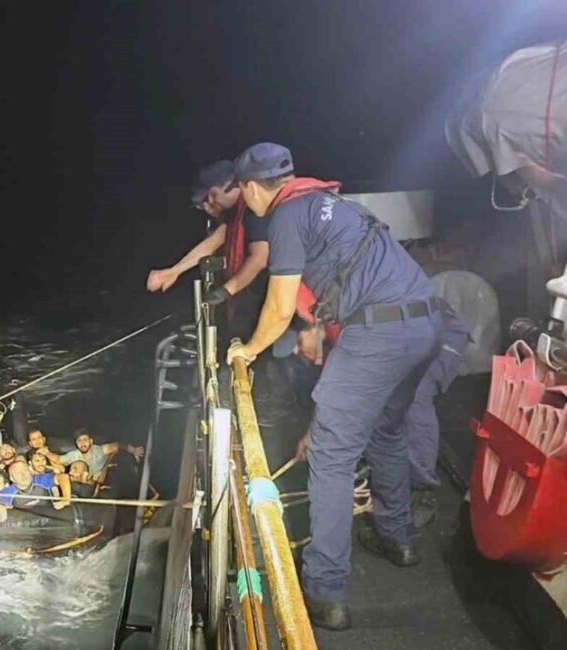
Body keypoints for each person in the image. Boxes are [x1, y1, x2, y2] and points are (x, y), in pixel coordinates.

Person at [226, 142, 443, 631]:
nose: (247, 202)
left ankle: (324, 590)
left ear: (252, 187)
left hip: (379, 334)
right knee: (386, 431)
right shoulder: (332, 204)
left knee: (329, 455)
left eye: (244, 192)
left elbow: (280, 307)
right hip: (426, 323)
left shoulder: (284, 217)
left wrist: (249, 350)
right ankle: (399, 537)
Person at [281, 298, 471, 528]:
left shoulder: (349, 328)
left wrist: (313, 435)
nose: (296, 350)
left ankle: (423, 490)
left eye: (298, 342)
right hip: (400, 335)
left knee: (415, 398)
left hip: (439, 332)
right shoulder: (333, 329)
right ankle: (391, 478)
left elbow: (341, 387)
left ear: (313, 326)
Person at [146, 160, 271, 340]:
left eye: (212, 195)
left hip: (266, 304)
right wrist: (174, 271)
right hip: (245, 306)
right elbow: (211, 243)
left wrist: (224, 292)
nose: (210, 204)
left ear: (231, 185)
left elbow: (259, 260)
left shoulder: (254, 208)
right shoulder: (236, 214)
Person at [46, 429, 144, 483]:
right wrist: (46, 452)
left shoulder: (100, 450)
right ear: (76, 444)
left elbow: (116, 445)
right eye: (79, 441)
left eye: (85, 440)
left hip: (104, 481)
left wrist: (133, 450)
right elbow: (58, 459)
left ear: (91, 441)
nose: (82, 443)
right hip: (85, 485)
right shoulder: (74, 455)